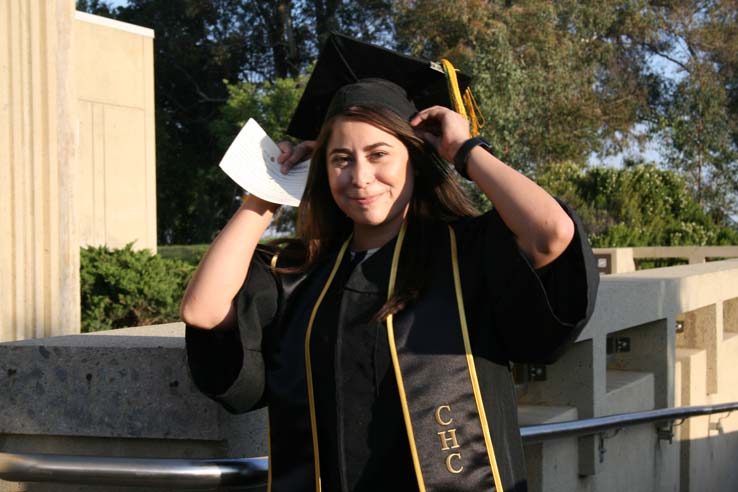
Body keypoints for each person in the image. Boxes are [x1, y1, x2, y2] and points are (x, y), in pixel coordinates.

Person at [182, 33, 598, 492]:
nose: (360, 177)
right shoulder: (304, 275)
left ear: (414, 160)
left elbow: (552, 234)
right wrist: (264, 196)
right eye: (341, 159)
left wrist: (465, 149)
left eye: (379, 155)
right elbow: (202, 310)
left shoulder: (466, 253)